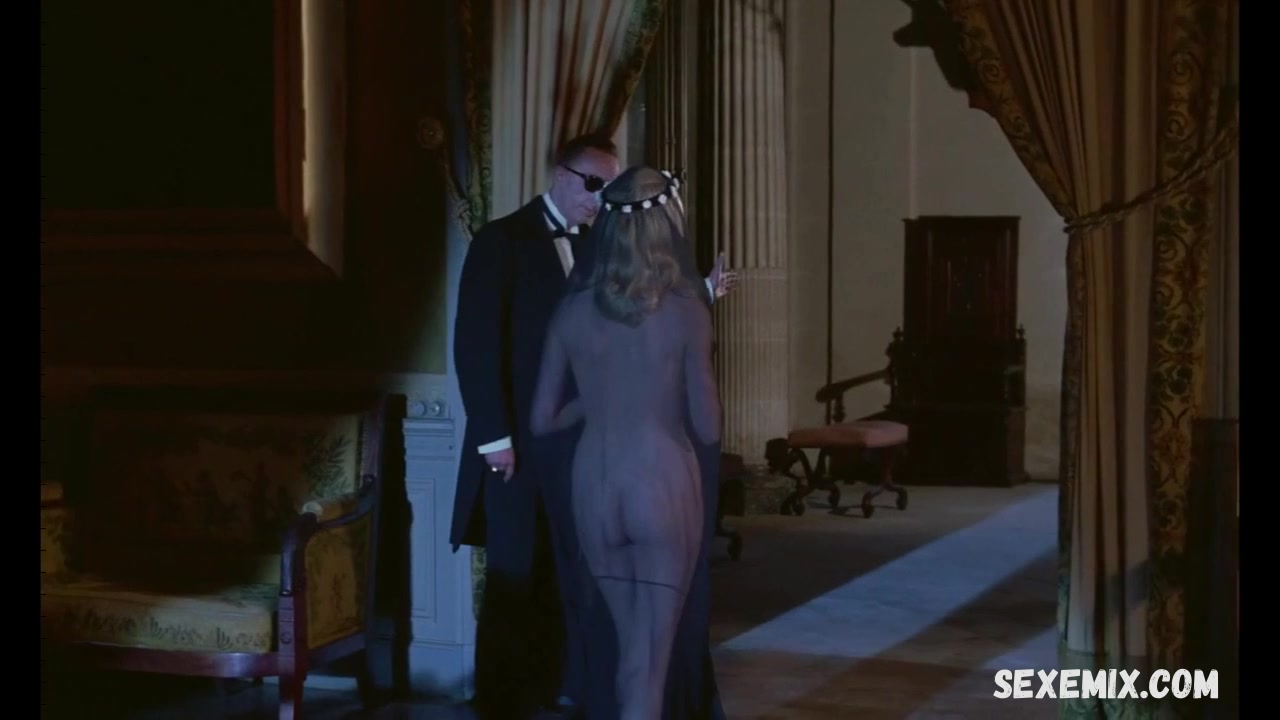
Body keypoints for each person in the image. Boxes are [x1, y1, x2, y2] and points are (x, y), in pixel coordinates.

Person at [451, 135, 735, 719]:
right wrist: (495, 439)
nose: (600, 198)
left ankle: (566, 690)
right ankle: (502, 703)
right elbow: (475, 345)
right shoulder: (502, 241)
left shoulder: (598, 248)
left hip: (584, 456)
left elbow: (630, 330)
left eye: (610, 189)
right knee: (516, 569)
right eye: (593, 184)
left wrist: (701, 294)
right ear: (561, 174)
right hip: (519, 447)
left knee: (571, 578)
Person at [529, 165, 724, 720]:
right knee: (649, 661)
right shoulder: (686, 312)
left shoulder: (571, 311)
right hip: (659, 483)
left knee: (628, 652)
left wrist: (599, 396)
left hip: (595, 491)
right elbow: (709, 426)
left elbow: (542, 419)